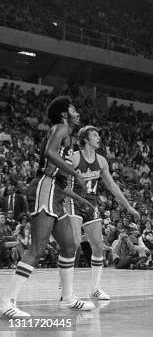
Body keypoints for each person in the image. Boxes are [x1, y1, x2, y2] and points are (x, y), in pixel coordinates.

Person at [1, 96, 94, 318]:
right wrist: (77, 175)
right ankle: (7, 301)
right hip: (46, 190)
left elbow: (59, 179)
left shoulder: (67, 137)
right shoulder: (60, 128)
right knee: (37, 249)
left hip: (56, 194)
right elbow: (49, 154)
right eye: (73, 109)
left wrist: (81, 200)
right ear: (64, 114)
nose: (77, 112)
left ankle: (68, 297)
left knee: (70, 246)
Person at [63, 125, 140, 301]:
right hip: (73, 201)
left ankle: (96, 289)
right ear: (85, 139)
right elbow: (64, 185)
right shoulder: (74, 158)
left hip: (91, 203)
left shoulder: (102, 161)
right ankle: (66, 288)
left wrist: (128, 207)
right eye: (95, 135)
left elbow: (112, 186)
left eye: (98, 135)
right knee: (74, 243)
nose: (99, 138)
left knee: (98, 246)